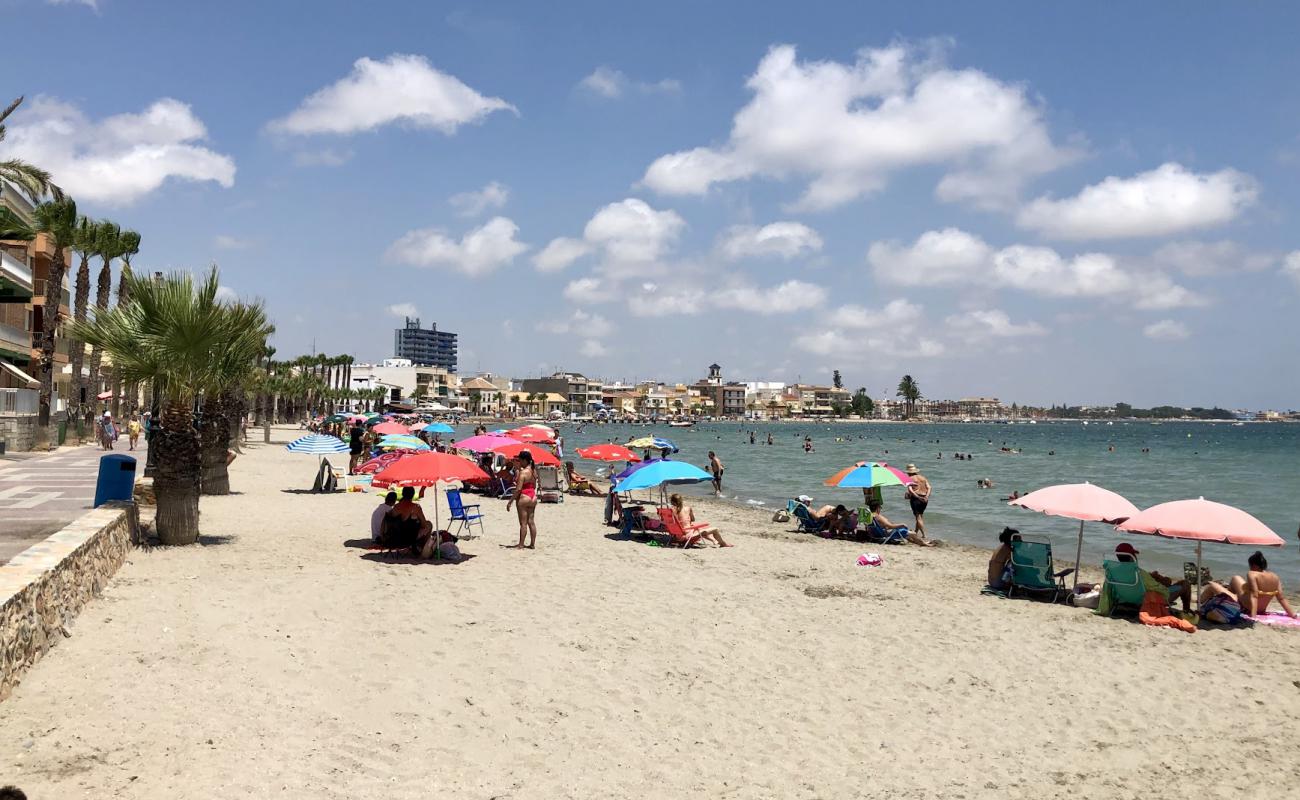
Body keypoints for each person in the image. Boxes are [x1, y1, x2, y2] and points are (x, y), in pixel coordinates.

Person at [1200, 551, 1296, 618]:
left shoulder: (1252, 574)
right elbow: (1281, 598)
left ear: (1254, 566)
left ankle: (1201, 601)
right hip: (1261, 609)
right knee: (1236, 579)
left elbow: (1254, 595)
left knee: (1213, 585)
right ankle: (1227, 594)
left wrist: (1253, 616)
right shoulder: (1275, 577)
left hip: (1246, 607)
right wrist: (1292, 614)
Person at [1112, 543, 1192, 614]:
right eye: (1134, 554)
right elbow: (1160, 589)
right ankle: (1186, 611)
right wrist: (1163, 581)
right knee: (1185, 584)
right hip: (1146, 601)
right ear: (1131, 557)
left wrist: (1151, 577)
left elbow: (1110, 590)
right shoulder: (1139, 573)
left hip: (1125, 599)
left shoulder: (1113, 572)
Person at [506, 450, 539, 549]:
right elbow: (534, 485)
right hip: (533, 497)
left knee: (523, 523)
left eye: (520, 460)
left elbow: (518, 489)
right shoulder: (534, 471)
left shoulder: (523, 472)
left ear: (524, 460)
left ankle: (521, 544)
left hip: (524, 497)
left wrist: (510, 501)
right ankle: (532, 544)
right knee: (531, 522)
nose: (519, 462)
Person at [869, 499, 935, 547]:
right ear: (877, 507)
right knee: (913, 533)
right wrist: (902, 524)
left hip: (878, 533)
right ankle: (925, 544)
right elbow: (890, 526)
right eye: (880, 507)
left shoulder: (871, 515)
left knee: (909, 533)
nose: (880, 509)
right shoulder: (878, 517)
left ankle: (921, 542)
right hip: (887, 534)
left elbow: (884, 525)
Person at [903, 464, 932, 542]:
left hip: (916, 499)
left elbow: (910, 490)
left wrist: (917, 496)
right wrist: (926, 496)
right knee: (920, 516)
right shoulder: (923, 478)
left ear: (909, 472)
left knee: (918, 517)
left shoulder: (909, 478)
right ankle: (916, 532)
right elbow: (929, 487)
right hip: (925, 498)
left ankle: (924, 535)